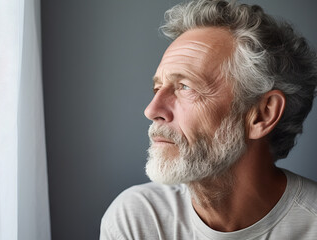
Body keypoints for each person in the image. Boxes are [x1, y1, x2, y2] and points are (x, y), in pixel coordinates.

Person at [100, 0, 317, 239]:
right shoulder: (139, 218)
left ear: (262, 114)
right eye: (157, 88)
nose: (152, 110)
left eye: (185, 86)